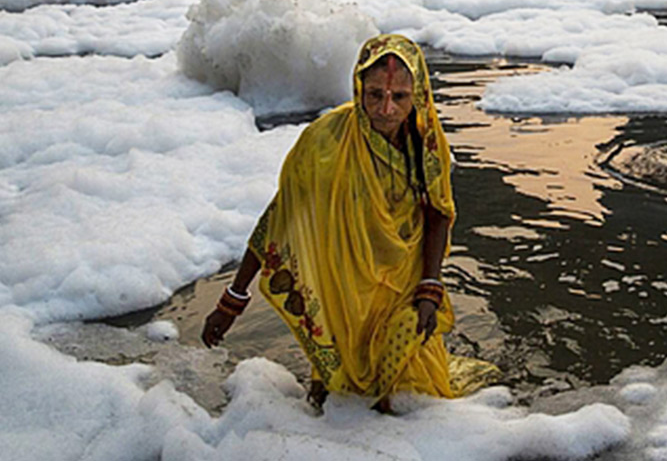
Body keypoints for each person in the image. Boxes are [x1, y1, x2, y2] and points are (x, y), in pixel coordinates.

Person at [202, 33, 495, 410]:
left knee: (407, 385)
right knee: (342, 386)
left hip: (404, 277)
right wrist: (233, 299)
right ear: (359, 88)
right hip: (345, 282)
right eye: (375, 94)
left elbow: (438, 212)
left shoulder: (426, 142)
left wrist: (430, 285)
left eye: (399, 97)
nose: (386, 109)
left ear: (418, 94)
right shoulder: (325, 143)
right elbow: (279, 218)